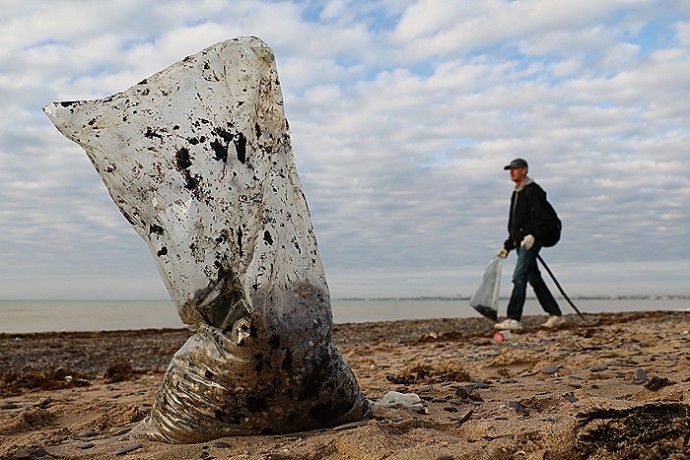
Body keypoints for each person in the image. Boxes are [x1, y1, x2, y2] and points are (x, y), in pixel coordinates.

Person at [495, 158, 565, 330]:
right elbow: (516, 224)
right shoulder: (517, 192)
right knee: (534, 278)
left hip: (531, 240)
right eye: (510, 170)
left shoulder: (533, 191)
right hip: (521, 242)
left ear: (524, 170)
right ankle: (555, 314)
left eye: (515, 169)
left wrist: (534, 236)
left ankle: (514, 318)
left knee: (519, 277)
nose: (512, 172)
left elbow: (544, 218)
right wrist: (508, 245)